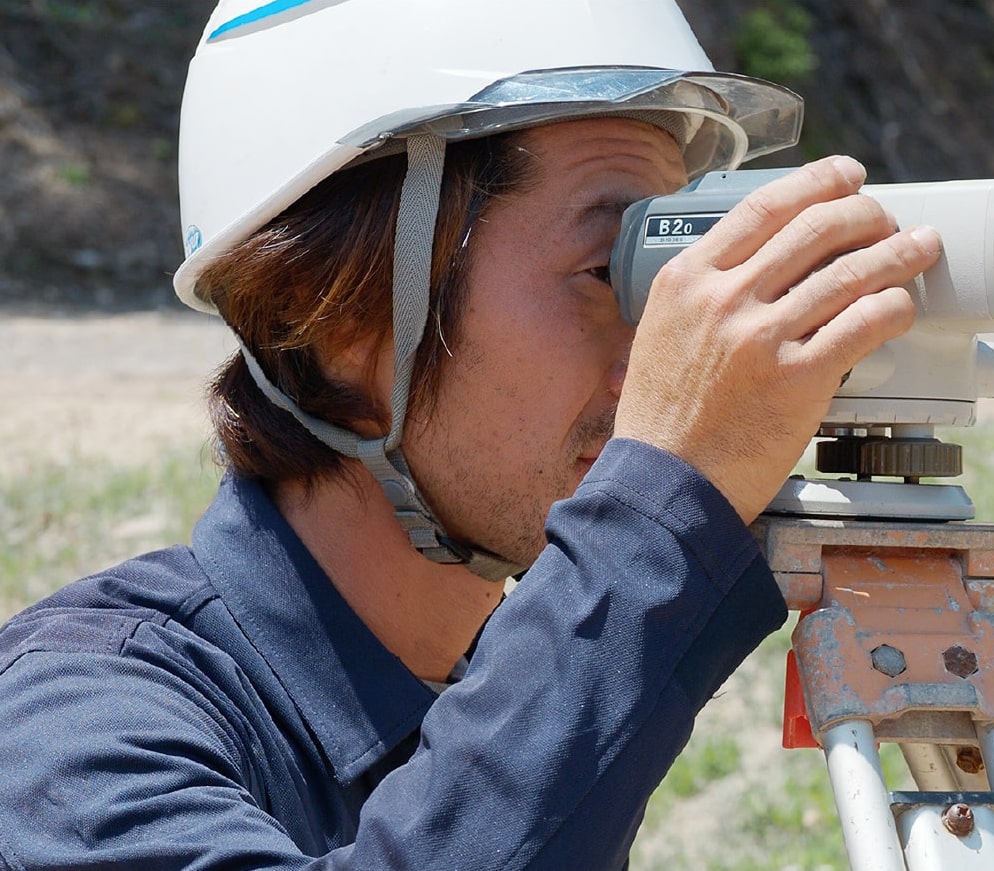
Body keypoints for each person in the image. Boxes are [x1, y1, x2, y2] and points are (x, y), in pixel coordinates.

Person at [0, 0, 942, 867]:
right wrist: (664, 498)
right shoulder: (71, 728)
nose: (661, 349)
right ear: (330, 309)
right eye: (608, 267)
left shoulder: (498, 698)